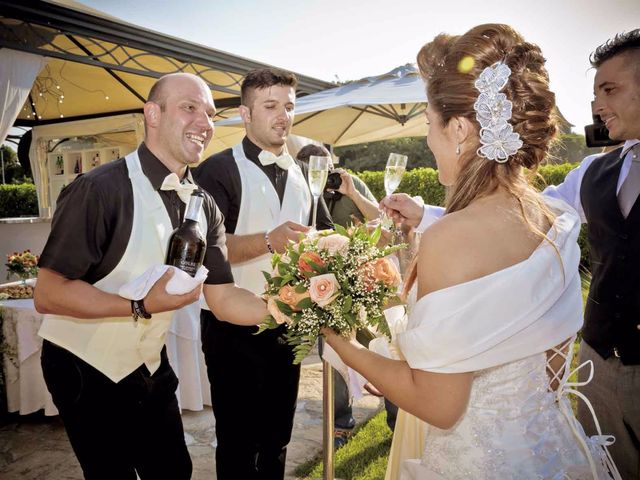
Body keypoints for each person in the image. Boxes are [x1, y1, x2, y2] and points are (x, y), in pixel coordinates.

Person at [324, 23, 621, 478]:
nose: (427, 139)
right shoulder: (553, 219)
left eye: (429, 123)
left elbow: (439, 405)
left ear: (459, 128)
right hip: (553, 451)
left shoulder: (452, 239)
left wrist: (340, 343)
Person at [34, 72, 268, 480]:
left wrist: (287, 308)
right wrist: (138, 305)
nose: (205, 122)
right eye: (190, 108)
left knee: (174, 470)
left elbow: (225, 298)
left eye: (210, 113)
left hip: (149, 363)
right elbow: (48, 294)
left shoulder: (205, 205)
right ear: (153, 114)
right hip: (83, 364)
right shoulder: (99, 189)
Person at [193, 68, 332, 480]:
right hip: (231, 327)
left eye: (289, 106)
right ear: (245, 114)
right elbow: (205, 251)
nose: (282, 116)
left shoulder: (306, 171)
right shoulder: (215, 171)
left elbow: (323, 233)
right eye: (270, 106)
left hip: (289, 323)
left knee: (277, 438)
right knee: (238, 442)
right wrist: (268, 241)